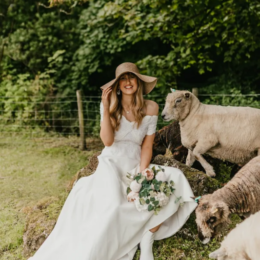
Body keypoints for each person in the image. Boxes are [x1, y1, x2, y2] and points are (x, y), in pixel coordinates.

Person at [28, 62, 197, 260]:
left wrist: (142, 172)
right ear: (117, 85)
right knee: (115, 205)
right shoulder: (109, 105)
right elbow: (107, 141)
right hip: (111, 162)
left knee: (174, 177)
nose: (127, 82)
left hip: (135, 163)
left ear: (138, 81)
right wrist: (106, 106)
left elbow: (147, 146)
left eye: (131, 77)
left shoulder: (151, 107)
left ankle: (147, 238)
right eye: (123, 79)